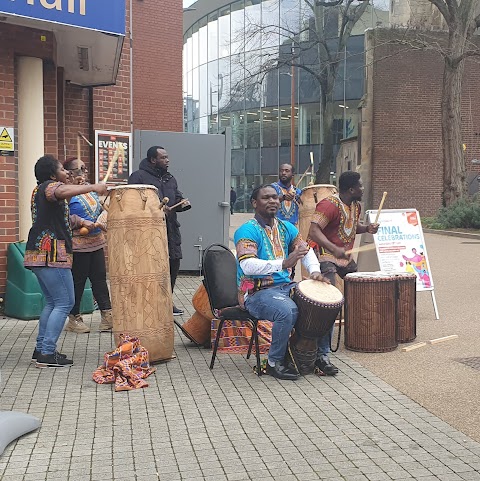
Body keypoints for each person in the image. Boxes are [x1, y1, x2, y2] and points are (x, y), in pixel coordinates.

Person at [234, 184, 328, 380]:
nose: (273, 201)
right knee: (287, 310)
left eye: (275, 198)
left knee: (323, 304)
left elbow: (306, 250)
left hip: (285, 287)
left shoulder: (287, 228)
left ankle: (320, 356)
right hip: (257, 293)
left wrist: (315, 271)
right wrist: (284, 262)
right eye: (266, 198)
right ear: (254, 203)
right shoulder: (246, 230)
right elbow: (248, 266)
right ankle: (273, 363)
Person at [24, 155, 107, 368]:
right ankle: (47, 353)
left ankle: (41, 349)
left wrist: (87, 221)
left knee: (53, 302)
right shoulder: (50, 188)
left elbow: (63, 216)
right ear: (52, 175)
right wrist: (93, 187)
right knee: (64, 302)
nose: (67, 173)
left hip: (39, 253)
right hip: (52, 254)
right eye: (62, 169)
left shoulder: (39, 191)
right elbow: (59, 191)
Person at [308, 171, 379, 375]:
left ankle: (360, 335)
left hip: (343, 257)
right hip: (324, 255)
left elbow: (349, 226)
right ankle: (321, 356)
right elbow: (313, 231)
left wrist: (367, 229)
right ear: (351, 189)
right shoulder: (328, 204)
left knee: (360, 288)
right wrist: (332, 247)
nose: (363, 189)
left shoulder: (354, 204)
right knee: (329, 302)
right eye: (361, 186)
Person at [128, 146, 190, 316]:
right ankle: (147, 304)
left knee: (173, 264)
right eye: (163, 157)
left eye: (167, 157)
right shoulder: (138, 177)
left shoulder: (170, 178)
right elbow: (131, 203)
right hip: (149, 231)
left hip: (170, 230)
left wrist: (181, 202)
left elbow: (176, 196)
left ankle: (166, 302)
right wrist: (154, 211)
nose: (167, 160)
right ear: (153, 160)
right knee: (151, 268)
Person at [63, 157, 113, 334]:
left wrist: (103, 218)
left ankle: (107, 316)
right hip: (77, 245)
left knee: (99, 280)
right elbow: (63, 217)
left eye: (84, 169)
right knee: (78, 282)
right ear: (68, 173)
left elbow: (100, 210)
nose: (83, 173)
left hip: (96, 241)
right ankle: (74, 318)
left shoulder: (89, 190)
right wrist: (81, 222)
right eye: (78, 169)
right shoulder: (66, 192)